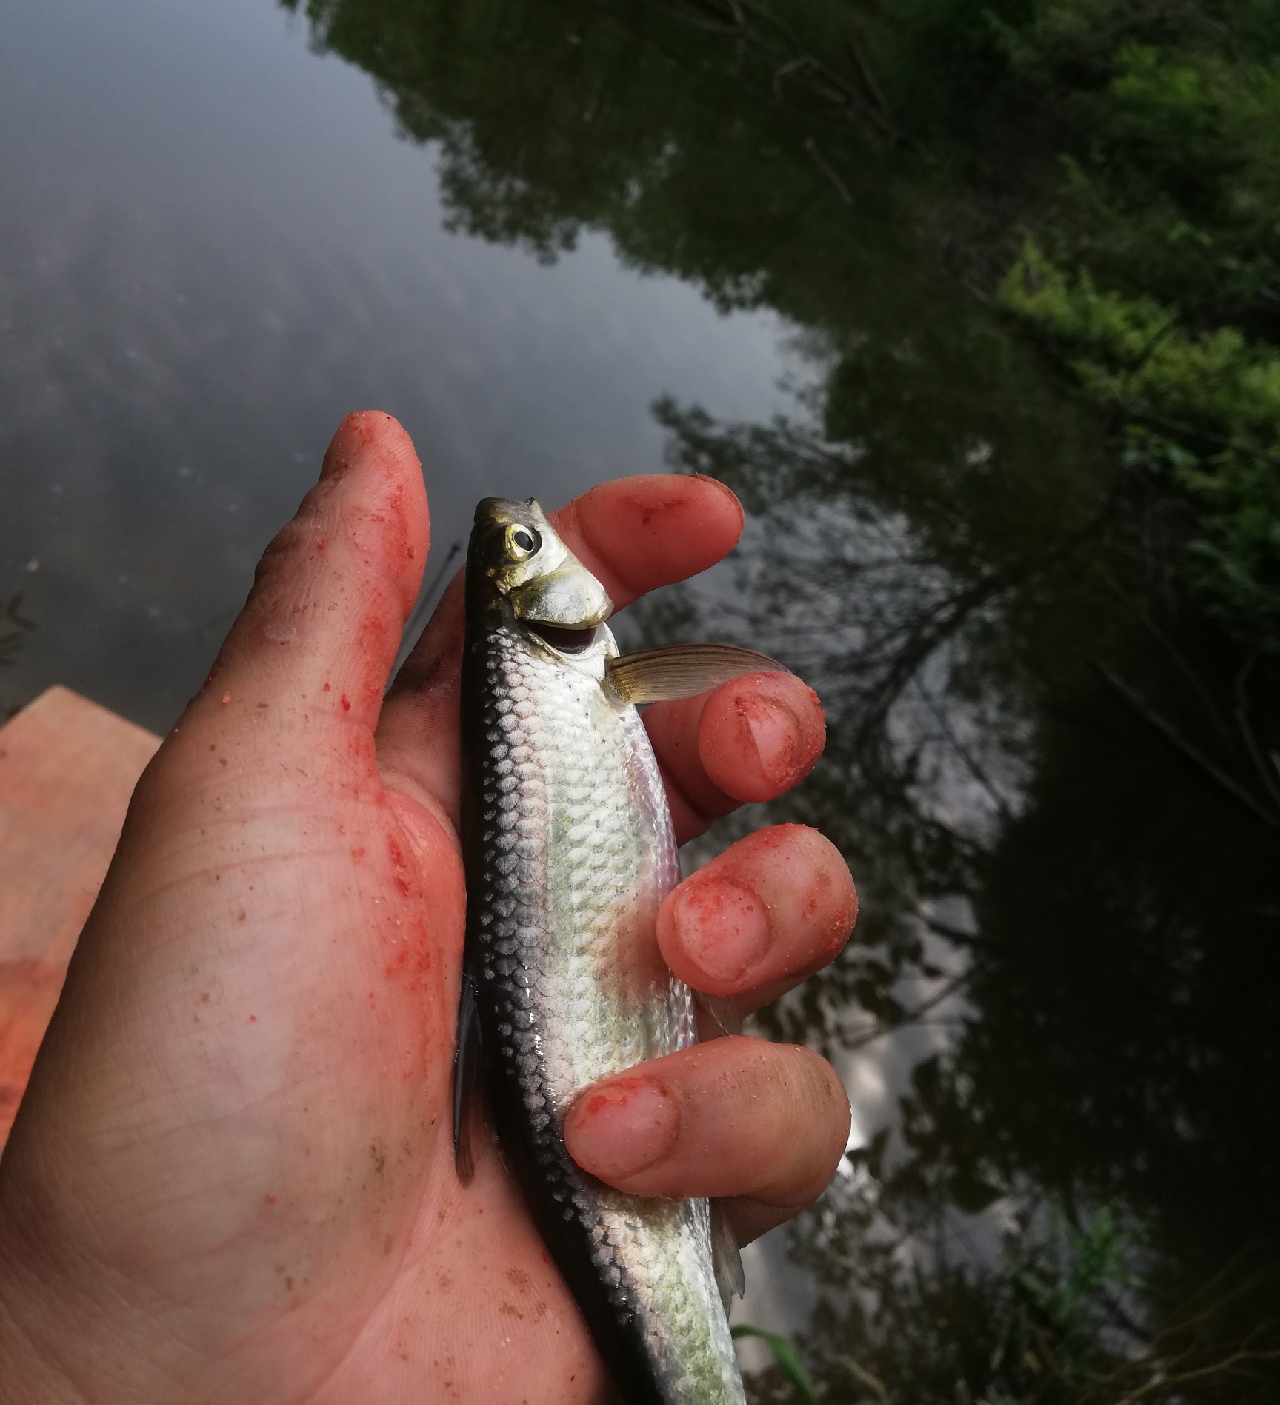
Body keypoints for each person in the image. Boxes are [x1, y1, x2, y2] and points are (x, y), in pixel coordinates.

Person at [0, 412, 857, 1403]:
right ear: (548, 603)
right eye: (526, 545)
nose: (524, 527)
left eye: (519, 543)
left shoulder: (562, 666)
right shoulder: (583, 671)